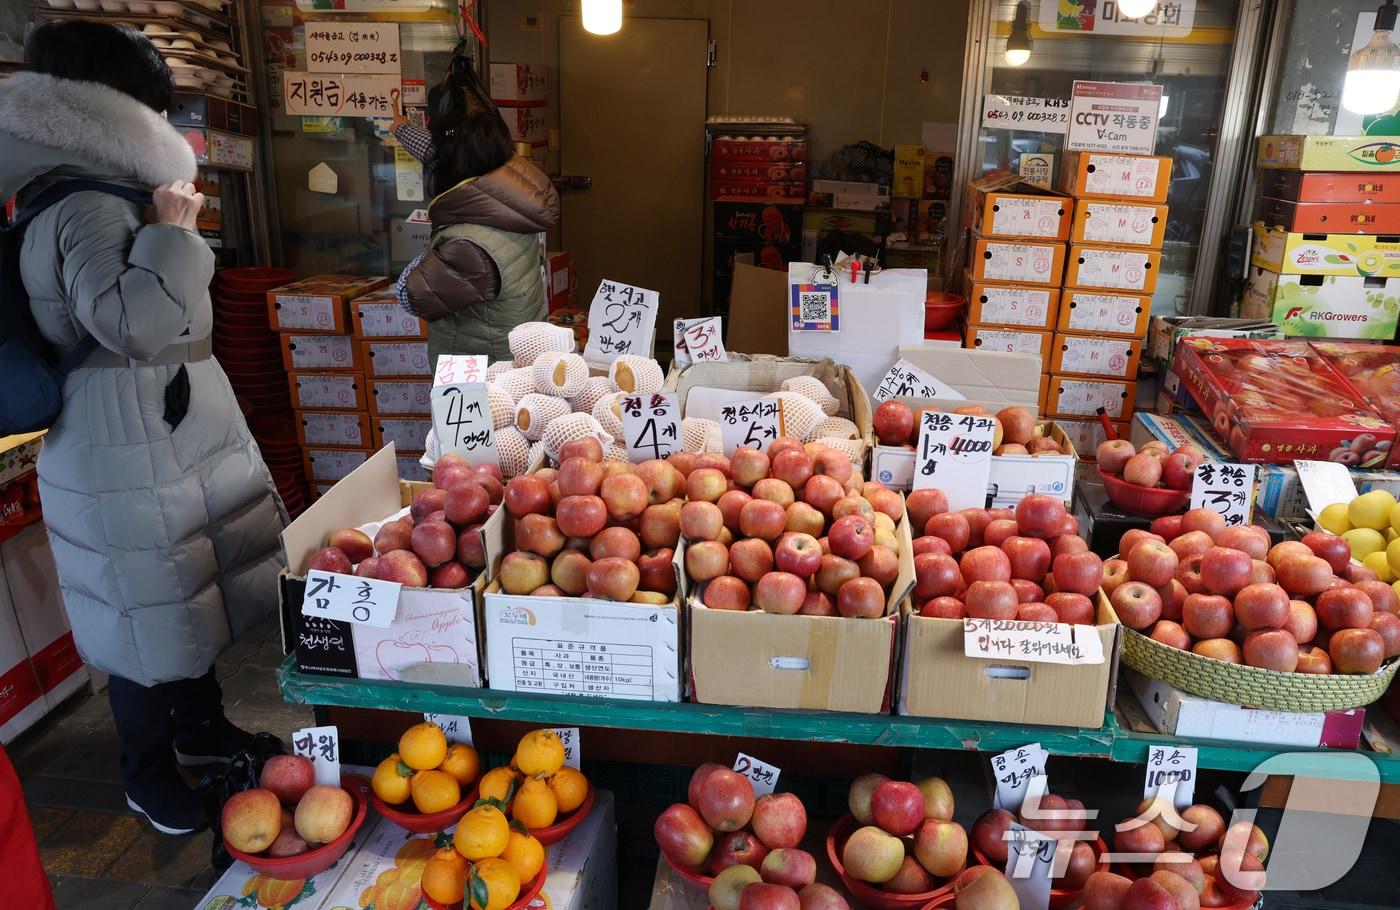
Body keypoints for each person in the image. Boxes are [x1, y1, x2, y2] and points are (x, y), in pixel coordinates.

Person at [0, 21, 286, 835]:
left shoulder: (97, 188)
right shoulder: (86, 202)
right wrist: (172, 232)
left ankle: (201, 733)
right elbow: (136, 323)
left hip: (158, 430)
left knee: (178, 598)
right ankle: (147, 776)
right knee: (139, 613)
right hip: (120, 439)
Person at [391, 68, 560, 363]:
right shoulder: (508, 200)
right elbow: (437, 153)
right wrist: (401, 128)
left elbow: (414, 295)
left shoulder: (468, 244)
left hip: (485, 379)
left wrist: (426, 255)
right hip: (513, 359)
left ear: (453, 166)